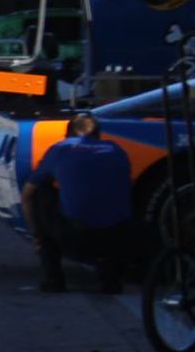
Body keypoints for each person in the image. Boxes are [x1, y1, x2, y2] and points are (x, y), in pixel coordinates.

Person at [24, 112, 135, 294]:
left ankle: (54, 279)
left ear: (67, 134)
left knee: (40, 189)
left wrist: (37, 235)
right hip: (115, 235)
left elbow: (27, 195)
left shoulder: (60, 149)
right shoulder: (116, 150)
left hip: (73, 235)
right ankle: (111, 280)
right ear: (98, 134)